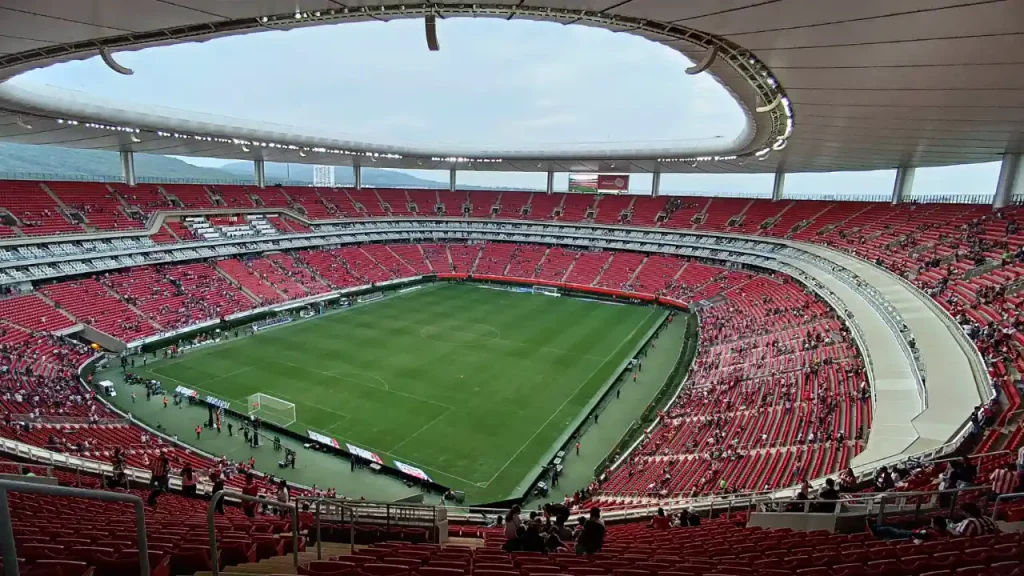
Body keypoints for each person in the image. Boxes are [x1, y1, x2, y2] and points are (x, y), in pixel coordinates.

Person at [871, 516, 949, 542]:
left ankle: (875, 530)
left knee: (891, 530)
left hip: (910, 535)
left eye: (932, 523)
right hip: (913, 533)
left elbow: (918, 534)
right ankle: (877, 528)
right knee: (896, 529)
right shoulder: (944, 533)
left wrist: (925, 528)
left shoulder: (931, 533)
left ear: (937, 526)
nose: (931, 524)